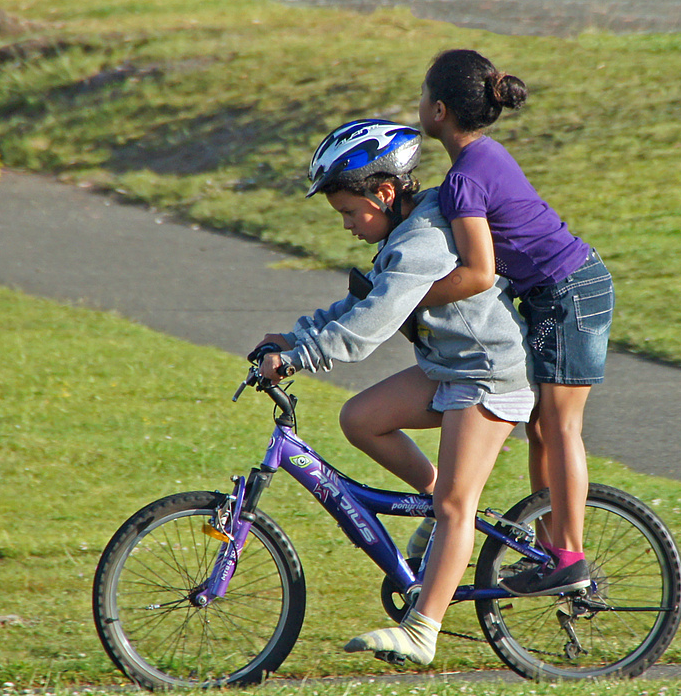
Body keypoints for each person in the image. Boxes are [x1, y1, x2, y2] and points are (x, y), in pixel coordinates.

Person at [254, 118, 535, 666]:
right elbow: (368, 300)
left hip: (487, 374)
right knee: (361, 418)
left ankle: (423, 630)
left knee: (457, 505)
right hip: (448, 367)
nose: (347, 226)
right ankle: (439, 509)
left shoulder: (423, 242)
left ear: (385, 193)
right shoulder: (403, 235)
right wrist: (297, 336)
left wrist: (298, 359)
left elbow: (368, 327)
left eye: (349, 213)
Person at [416, 49, 615, 596]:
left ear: (438, 110)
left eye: (420, 95)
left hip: (567, 294)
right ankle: (553, 550)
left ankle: (567, 556)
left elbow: (478, 274)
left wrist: (411, 299)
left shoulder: (464, 181)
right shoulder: (485, 155)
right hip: (569, 288)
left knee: (558, 427)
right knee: (542, 430)